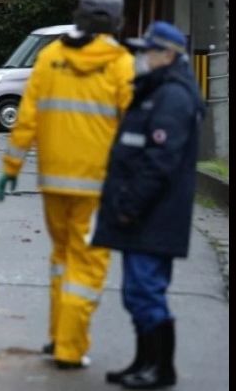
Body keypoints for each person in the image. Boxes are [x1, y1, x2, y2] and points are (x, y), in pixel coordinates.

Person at [0, 0, 135, 369]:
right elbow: (133, 125)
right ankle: (69, 349)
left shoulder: (51, 56)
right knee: (86, 266)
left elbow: (26, 118)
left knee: (60, 259)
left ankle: (58, 335)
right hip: (98, 185)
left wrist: (11, 168)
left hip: (53, 181)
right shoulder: (121, 62)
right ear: (117, 21)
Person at [92, 22, 204, 389]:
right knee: (136, 292)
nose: (141, 57)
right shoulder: (157, 90)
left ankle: (160, 369)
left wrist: (130, 205)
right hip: (144, 214)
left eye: (147, 51)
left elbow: (161, 160)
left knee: (145, 291)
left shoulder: (173, 96)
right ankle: (144, 362)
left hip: (153, 214)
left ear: (168, 55)